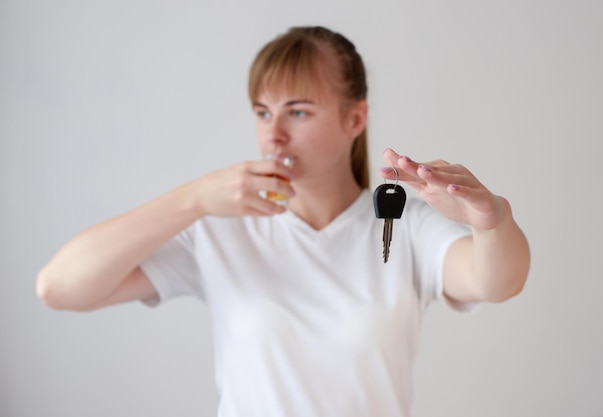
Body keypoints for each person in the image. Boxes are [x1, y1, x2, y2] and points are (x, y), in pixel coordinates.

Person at [36, 26, 530, 417]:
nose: (273, 135)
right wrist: (192, 198)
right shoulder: (221, 228)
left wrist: (492, 219)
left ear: (354, 119)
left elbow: (497, 281)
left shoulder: (400, 225)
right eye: (262, 111)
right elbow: (59, 287)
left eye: (297, 112)